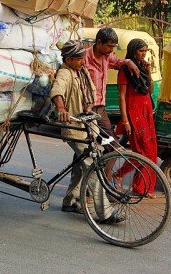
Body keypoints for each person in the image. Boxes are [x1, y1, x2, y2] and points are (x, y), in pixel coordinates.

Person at [50, 40, 123, 223]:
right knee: (91, 165)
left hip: (87, 123)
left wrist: (90, 106)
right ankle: (105, 212)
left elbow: (90, 91)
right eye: (80, 59)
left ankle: (69, 200)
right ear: (69, 59)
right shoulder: (65, 73)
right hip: (74, 127)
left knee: (81, 163)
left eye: (84, 58)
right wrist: (61, 108)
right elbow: (58, 90)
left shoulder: (80, 71)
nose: (84, 62)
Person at [112, 38, 158, 197]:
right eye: (141, 51)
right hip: (134, 114)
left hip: (146, 113)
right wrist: (125, 121)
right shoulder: (126, 70)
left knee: (151, 151)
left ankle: (141, 187)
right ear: (133, 51)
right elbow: (122, 97)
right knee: (141, 152)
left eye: (145, 51)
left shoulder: (143, 67)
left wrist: (148, 73)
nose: (144, 54)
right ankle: (118, 174)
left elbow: (149, 90)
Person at [85, 28, 139, 141]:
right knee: (88, 143)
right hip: (85, 107)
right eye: (109, 46)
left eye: (113, 47)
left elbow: (117, 63)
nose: (111, 50)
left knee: (111, 143)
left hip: (100, 107)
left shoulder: (108, 56)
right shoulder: (84, 58)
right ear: (99, 42)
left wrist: (128, 62)